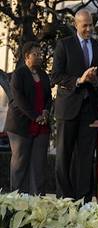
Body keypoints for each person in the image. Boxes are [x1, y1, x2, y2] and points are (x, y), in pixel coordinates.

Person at [52, 9, 98, 202]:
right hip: (68, 107)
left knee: (86, 156)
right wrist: (79, 79)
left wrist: (95, 81)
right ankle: (63, 199)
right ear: (76, 25)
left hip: (90, 110)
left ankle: (83, 199)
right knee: (64, 155)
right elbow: (56, 76)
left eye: (91, 24)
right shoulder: (64, 45)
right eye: (85, 25)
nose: (89, 29)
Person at [4, 41, 51, 195]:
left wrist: (45, 111)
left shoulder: (43, 74)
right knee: (19, 165)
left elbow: (48, 97)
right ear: (26, 57)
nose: (39, 57)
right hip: (20, 126)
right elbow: (19, 100)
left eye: (40, 54)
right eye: (35, 54)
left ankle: (37, 202)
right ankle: (16, 201)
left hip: (41, 125)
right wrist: (35, 116)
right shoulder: (19, 74)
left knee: (39, 167)